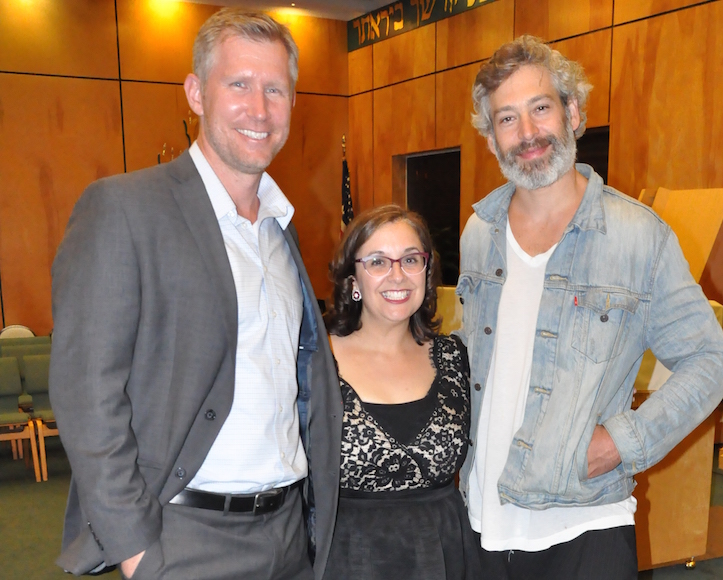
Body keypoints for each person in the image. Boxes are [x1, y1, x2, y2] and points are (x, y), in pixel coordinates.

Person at [49, 8, 340, 579]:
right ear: (196, 92)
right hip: (184, 540)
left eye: (275, 89)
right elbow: (87, 393)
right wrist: (137, 553)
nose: (259, 110)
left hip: (287, 538)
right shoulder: (125, 209)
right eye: (239, 85)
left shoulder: (283, 229)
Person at [455, 35, 723, 578]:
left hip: (584, 521)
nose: (528, 133)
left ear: (573, 112)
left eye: (541, 108)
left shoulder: (638, 236)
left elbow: (710, 361)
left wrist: (620, 443)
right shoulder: (478, 231)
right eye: (507, 119)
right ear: (491, 140)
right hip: (480, 517)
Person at [323, 205, 480, 580]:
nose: (397, 275)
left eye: (411, 259)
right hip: (345, 559)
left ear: (427, 272)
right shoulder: (315, 361)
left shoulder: (453, 357)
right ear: (353, 280)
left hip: (443, 556)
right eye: (377, 262)